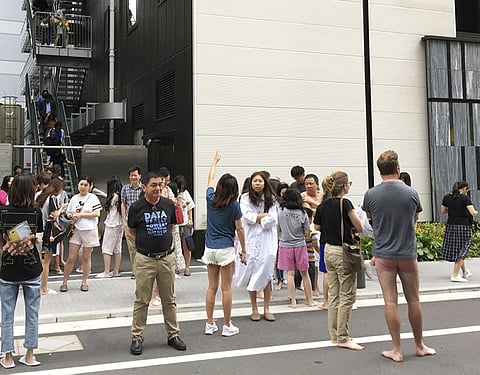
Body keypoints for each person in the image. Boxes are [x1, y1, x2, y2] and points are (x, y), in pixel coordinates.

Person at [363, 150, 436, 362]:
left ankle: (396, 349)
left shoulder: (371, 194)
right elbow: (415, 217)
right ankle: (419, 345)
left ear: (380, 171)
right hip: (407, 252)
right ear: (398, 168)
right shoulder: (411, 193)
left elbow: (370, 219)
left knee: (390, 301)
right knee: (413, 299)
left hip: (384, 253)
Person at [128, 172, 186, 355]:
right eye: (154, 185)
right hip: (145, 259)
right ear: (144, 187)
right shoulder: (136, 207)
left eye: (160, 185)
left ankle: (173, 334)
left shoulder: (168, 204)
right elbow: (131, 230)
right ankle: (137, 337)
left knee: (169, 299)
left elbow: (171, 227)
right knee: (142, 300)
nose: (158, 188)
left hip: (166, 258)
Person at [315, 171, 364, 350]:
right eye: (348, 183)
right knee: (347, 295)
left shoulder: (324, 204)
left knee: (334, 295)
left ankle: (335, 335)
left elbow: (317, 226)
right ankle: (343, 337)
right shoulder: (345, 203)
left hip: (327, 249)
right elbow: (359, 226)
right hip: (343, 251)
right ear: (344, 186)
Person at [0, 174, 44, 368]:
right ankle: (29, 355)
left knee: (6, 314)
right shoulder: (36, 213)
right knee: (32, 313)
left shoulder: (2, 212)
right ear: (31, 190)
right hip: (31, 267)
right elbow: (38, 240)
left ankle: (7, 357)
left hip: (8, 267)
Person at [203, 151, 246, 336]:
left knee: (211, 287)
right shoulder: (234, 205)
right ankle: (227, 325)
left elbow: (210, 177)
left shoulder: (210, 198)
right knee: (226, 288)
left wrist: (214, 161)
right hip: (225, 249)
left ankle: (210, 323)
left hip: (209, 248)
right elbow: (240, 229)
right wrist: (244, 250)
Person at [237, 171, 278, 322]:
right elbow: (246, 217)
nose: (257, 183)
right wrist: (261, 217)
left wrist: (257, 218)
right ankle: (254, 308)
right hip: (250, 239)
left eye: (260, 181)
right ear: (251, 182)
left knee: (267, 273)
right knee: (252, 272)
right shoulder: (245, 198)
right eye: (255, 181)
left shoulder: (271, 199)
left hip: (268, 240)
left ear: (264, 183)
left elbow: (273, 219)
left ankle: (267, 307)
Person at [60, 176, 102, 292]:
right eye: (81, 184)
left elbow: (97, 213)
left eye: (85, 185)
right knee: (71, 257)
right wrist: (70, 215)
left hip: (89, 229)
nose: (82, 187)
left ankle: (84, 282)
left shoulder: (93, 198)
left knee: (86, 257)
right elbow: (68, 211)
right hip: (77, 229)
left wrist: (81, 215)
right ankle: (64, 282)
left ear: (90, 186)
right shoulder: (74, 198)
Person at [277, 188, 316, 308]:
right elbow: (307, 232)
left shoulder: (281, 212)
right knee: (305, 274)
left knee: (290, 274)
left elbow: (278, 229)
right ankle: (309, 300)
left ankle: (293, 301)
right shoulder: (303, 213)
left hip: (285, 245)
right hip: (300, 244)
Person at [440, 181, 478, 282]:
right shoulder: (464, 198)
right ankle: (455, 274)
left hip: (451, 226)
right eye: (467, 189)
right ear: (464, 188)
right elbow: (473, 213)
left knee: (458, 249)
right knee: (463, 249)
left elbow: (443, 211)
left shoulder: (447, 197)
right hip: (463, 227)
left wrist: (453, 209)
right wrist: (476, 211)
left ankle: (465, 271)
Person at [36, 177, 66, 294]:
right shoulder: (52, 198)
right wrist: (62, 208)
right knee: (46, 263)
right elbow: (54, 215)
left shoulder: (39, 195)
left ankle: (36, 286)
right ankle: (43, 288)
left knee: (39, 261)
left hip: (36, 231)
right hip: (47, 232)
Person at [97, 176, 123, 278]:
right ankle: (116, 271)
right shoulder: (120, 196)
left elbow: (107, 207)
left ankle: (106, 272)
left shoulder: (113, 197)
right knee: (117, 248)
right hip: (120, 224)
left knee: (106, 248)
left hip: (112, 223)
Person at [121, 166, 143, 278]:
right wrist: (124, 220)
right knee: (132, 247)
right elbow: (123, 204)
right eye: (131, 175)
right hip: (129, 222)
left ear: (140, 176)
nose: (133, 177)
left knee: (142, 246)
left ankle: (142, 269)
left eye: (135, 175)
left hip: (142, 222)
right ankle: (135, 270)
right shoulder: (125, 188)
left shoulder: (144, 188)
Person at [173, 175, 196, 277]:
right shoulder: (172, 193)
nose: (181, 188)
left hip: (185, 222)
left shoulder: (186, 193)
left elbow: (190, 207)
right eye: (179, 186)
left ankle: (187, 267)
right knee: (175, 245)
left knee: (186, 244)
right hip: (176, 223)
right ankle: (176, 266)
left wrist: (190, 219)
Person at [274, 182, 289, 291]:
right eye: (282, 193)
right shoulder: (275, 204)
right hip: (278, 234)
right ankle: (280, 280)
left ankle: (291, 279)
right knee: (279, 258)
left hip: (289, 234)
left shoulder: (291, 203)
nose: (284, 195)